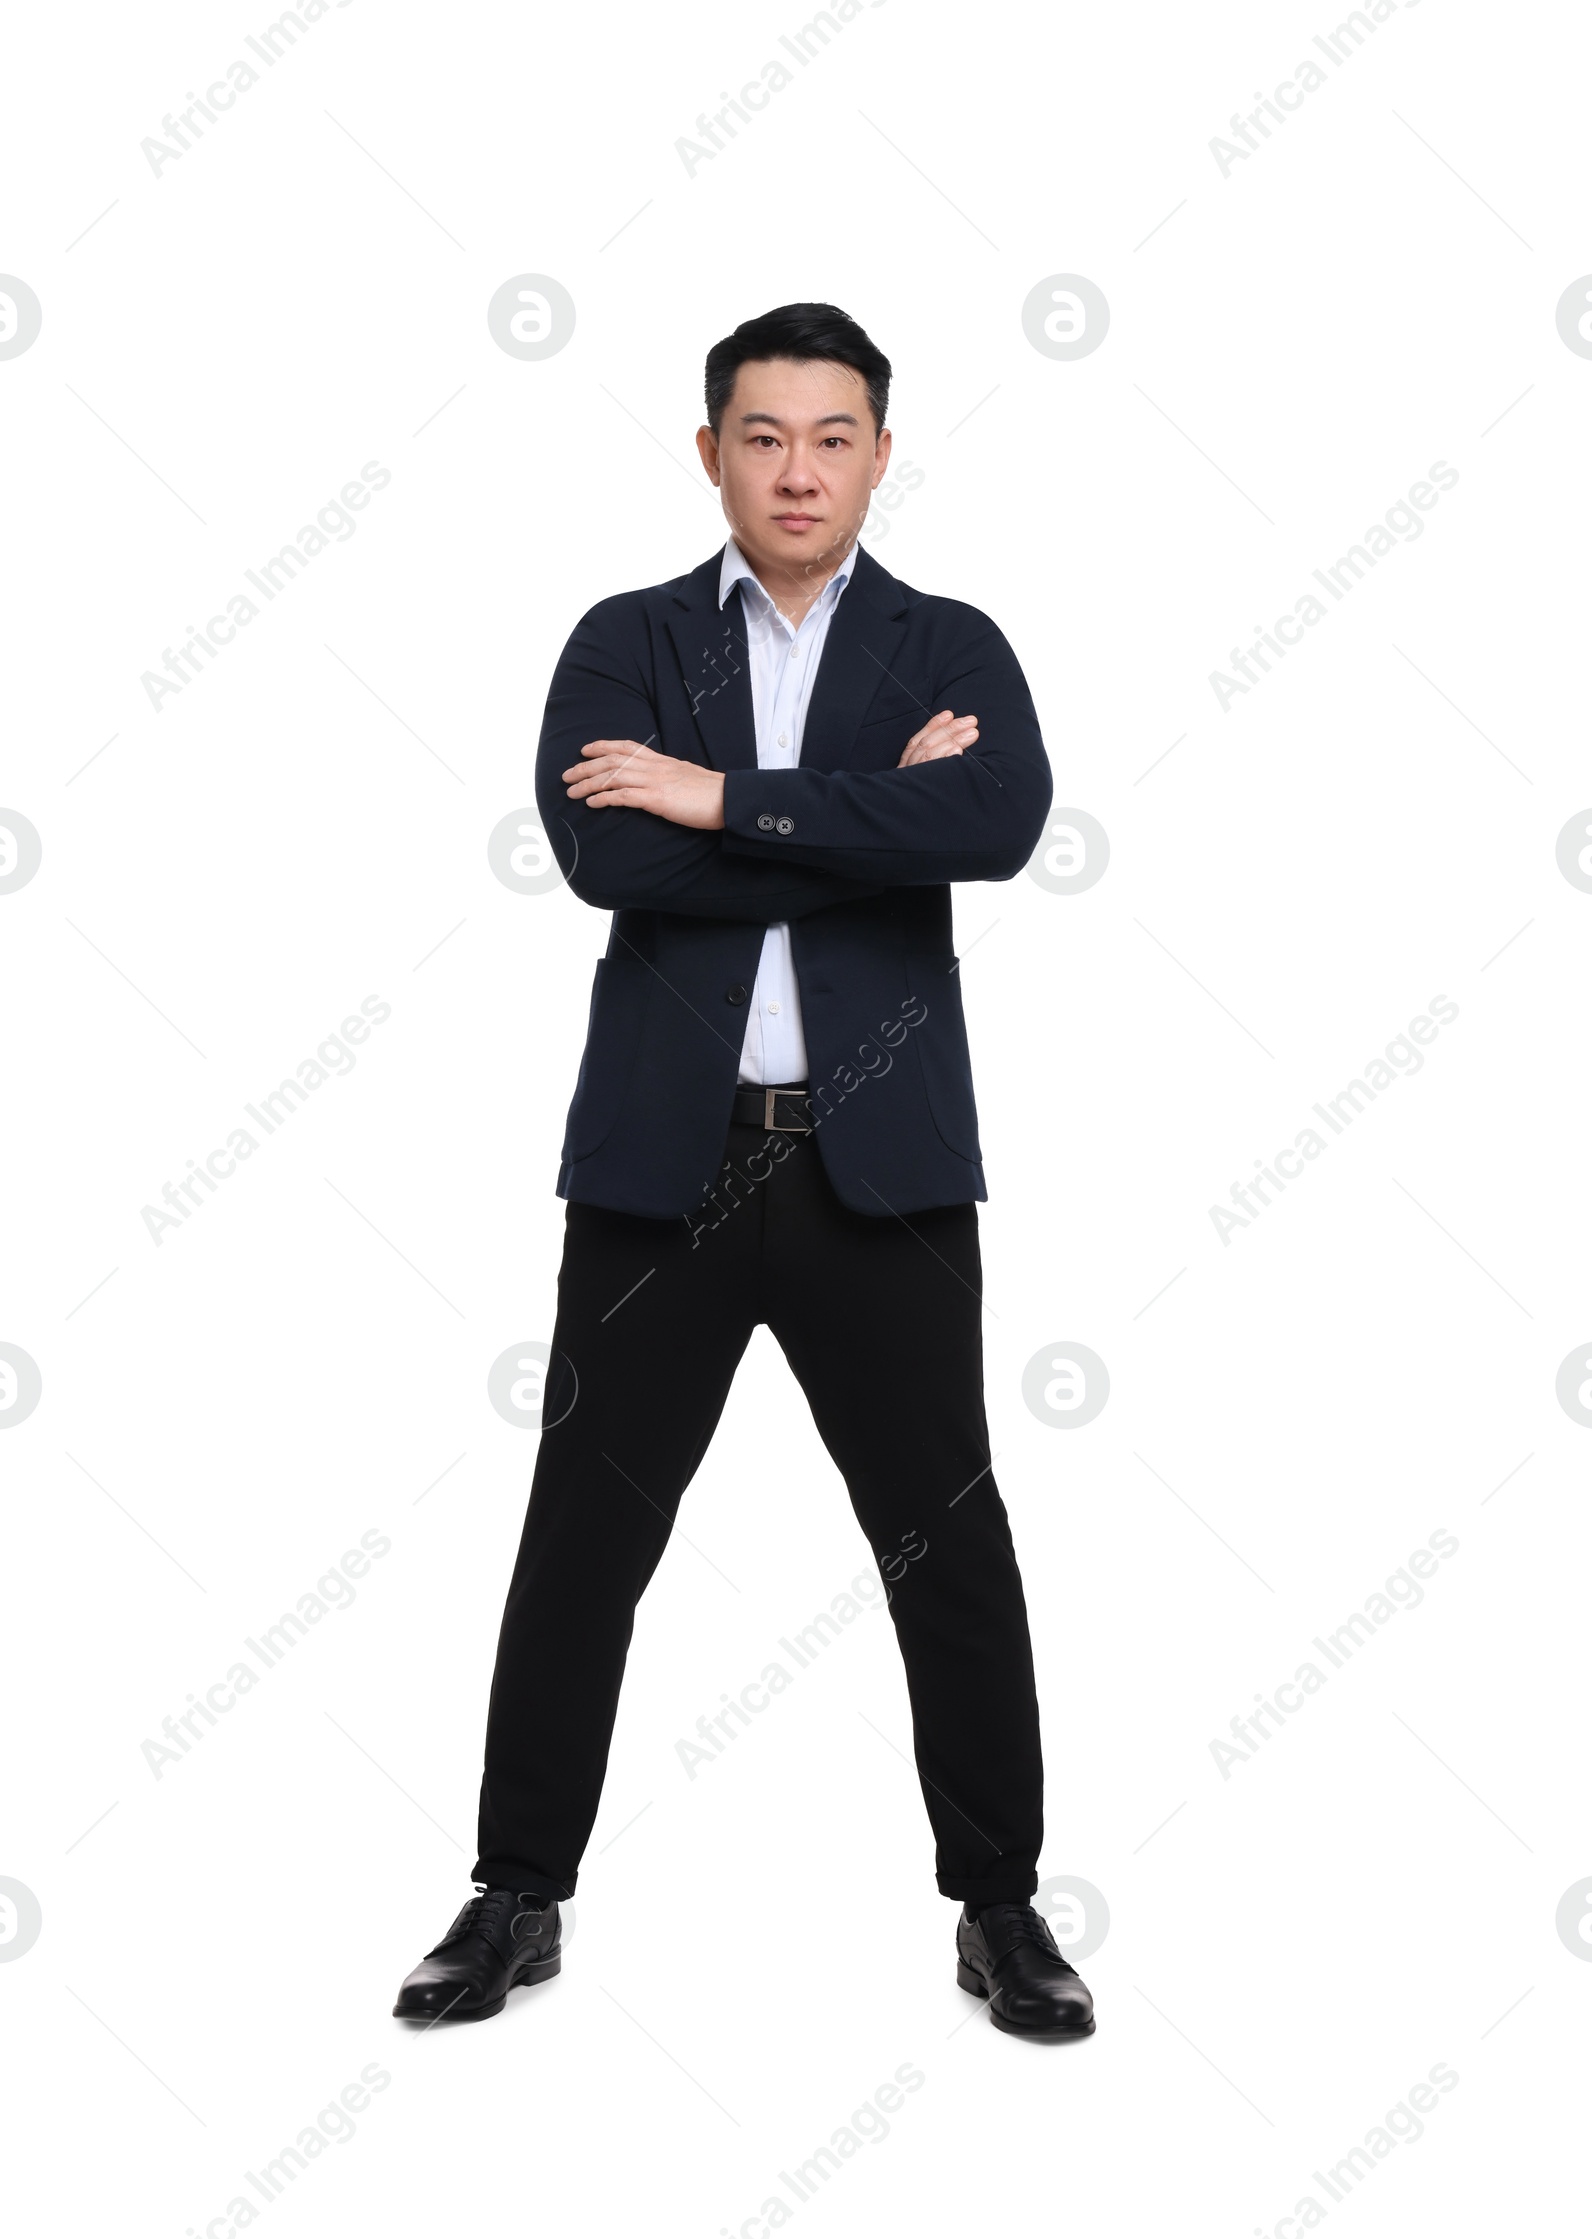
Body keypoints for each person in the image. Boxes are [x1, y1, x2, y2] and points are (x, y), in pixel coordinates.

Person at [393, 303, 1094, 2039]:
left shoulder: (951, 643)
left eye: (833, 434)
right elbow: (604, 858)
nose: (798, 468)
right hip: (660, 1173)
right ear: (711, 452)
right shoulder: (626, 641)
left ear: (878, 450)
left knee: (949, 1540)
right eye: (764, 436)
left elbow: (996, 827)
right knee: (584, 1539)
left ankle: (1001, 1908)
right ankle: (516, 1896)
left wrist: (720, 799)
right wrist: (858, 815)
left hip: (888, 1178)